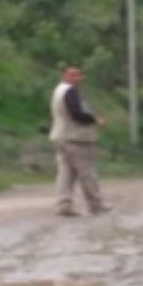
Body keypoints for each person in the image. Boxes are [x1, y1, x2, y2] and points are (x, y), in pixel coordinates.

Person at [49, 65, 109, 217]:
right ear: (64, 76)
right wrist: (95, 119)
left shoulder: (58, 90)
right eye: (72, 75)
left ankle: (64, 205)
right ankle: (95, 205)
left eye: (78, 75)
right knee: (87, 172)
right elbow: (77, 114)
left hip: (60, 136)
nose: (76, 78)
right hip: (76, 138)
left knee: (66, 172)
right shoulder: (69, 91)